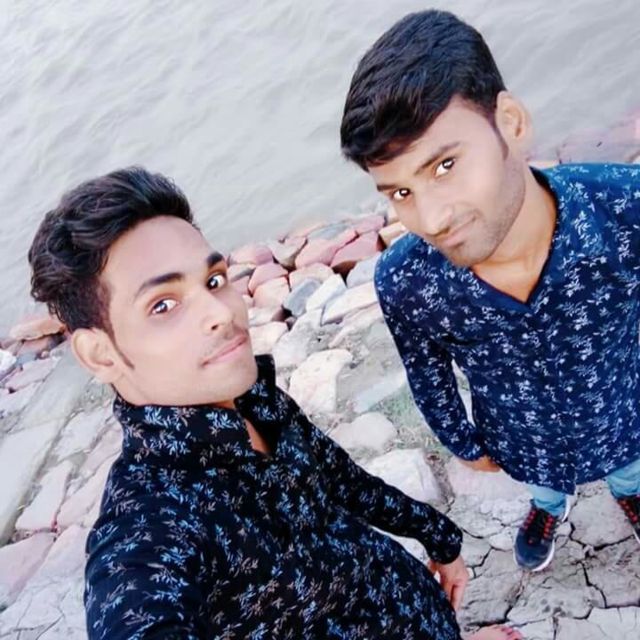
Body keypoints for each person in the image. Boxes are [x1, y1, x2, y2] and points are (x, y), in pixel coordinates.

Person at [28, 167, 522, 639]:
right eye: (163, 305)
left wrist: (438, 537)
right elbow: (136, 606)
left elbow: (341, 478)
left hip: (412, 601)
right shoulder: (152, 522)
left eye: (213, 280)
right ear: (100, 353)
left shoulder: (256, 401)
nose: (220, 313)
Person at [340, 8, 640, 573]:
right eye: (400, 193)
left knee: (632, 471)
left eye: (445, 165)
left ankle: (631, 495)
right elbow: (428, 373)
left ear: (512, 122)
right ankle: (548, 508)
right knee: (545, 486)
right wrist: (465, 443)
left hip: (624, 414)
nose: (431, 219)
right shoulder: (407, 280)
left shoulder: (624, 211)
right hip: (522, 438)